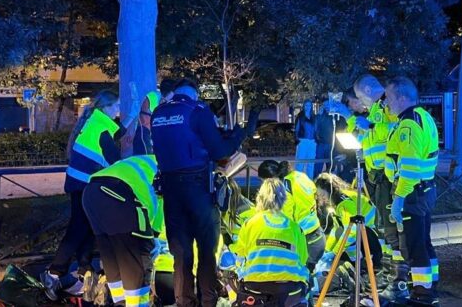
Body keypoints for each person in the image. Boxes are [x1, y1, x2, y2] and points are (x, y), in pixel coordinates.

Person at [151, 78, 254, 307]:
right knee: (207, 250)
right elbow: (219, 152)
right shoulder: (197, 110)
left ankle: (184, 301)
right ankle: (208, 300)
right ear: (195, 94)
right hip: (198, 190)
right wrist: (238, 135)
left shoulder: (158, 113)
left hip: (171, 192)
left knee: (181, 253)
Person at [44, 91, 123, 300]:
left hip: (79, 183)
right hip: (85, 185)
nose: (118, 110)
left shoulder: (95, 123)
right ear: (105, 108)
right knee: (79, 229)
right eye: (116, 106)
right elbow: (117, 161)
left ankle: (84, 270)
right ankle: (54, 273)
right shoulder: (101, 128)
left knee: (88, 227)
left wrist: (133, 114)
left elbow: (119, 133)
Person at [384, 77, 440, 307]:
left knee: (415, 247)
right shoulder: (422, 116)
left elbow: (409, 167)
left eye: (389, 98)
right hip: (424, 190)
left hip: (412, 193)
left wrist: (398, 199)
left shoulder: (408, 125)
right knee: (424, 243)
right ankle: (430, 287)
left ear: (401, 98)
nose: (386, 103)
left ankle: (422, 296)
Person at [83, 154, 163, 307]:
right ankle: (137, 304)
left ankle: (120, 302)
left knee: (112, 254)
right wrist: (153, 237)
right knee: (138, 256)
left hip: (91, 193)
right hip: (118, 196)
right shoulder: (172, 171)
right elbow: (160, 212)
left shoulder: (150, 160)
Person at [350, 74, 404, 281]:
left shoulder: (388, 105)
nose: (361, 102)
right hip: (376, 176)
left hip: (388, 176)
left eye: (360, 97)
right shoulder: (375, 109)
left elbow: (396, 130)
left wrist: (370, 127)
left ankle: (398, 276)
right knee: (384, 228)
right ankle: (389, 270)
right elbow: (373, 138)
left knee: (391, 229)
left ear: (368, 91)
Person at [230, 178, 309, 307]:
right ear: (284, 199)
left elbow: (240, 255)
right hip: (289, 289)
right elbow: (303, 259)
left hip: (255, 287)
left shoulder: (250, 223)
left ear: (260, 198)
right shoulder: (295, 228)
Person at [256, 160, 326, 275]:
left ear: (270, 180)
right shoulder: (300, 175)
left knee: (299, 278)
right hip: (317, 234)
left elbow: (285, 220)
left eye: (263, 182)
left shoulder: (284, 189)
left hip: (305, 241)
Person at [313, 173, 382, 279]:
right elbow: (336, 230)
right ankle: (357, 265)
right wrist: (327, 250)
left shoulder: (344, 203)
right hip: (366, 233)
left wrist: (334, 252)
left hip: (372, 238)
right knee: (341, 233)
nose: (322, 199)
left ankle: (359, 266)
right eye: (319, 196)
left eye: (323, 195)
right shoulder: (337, 202)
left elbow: (351, 231)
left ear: (330, 190)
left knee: (346, 236)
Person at [295, 101, 317, 178]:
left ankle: (310, 180)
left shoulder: (314, 117)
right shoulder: (300, 116)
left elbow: (316, 129)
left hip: (312, 142)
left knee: (311, 163)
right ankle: (297, 180)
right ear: (304, 106)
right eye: (306, 105)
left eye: (309, 105)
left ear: (311, 107)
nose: (308, 107)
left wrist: (316, 140)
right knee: (300, 163)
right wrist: (297, 140)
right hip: (303, 141)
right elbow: (296, 129)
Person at [313, 104, 336, 177]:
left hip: (330, 144)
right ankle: (316, 179)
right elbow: (315, 127)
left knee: (330, 166)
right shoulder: (320, 116)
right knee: (319, 165)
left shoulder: (334, 115)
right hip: (322, 143)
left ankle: (329, 180)